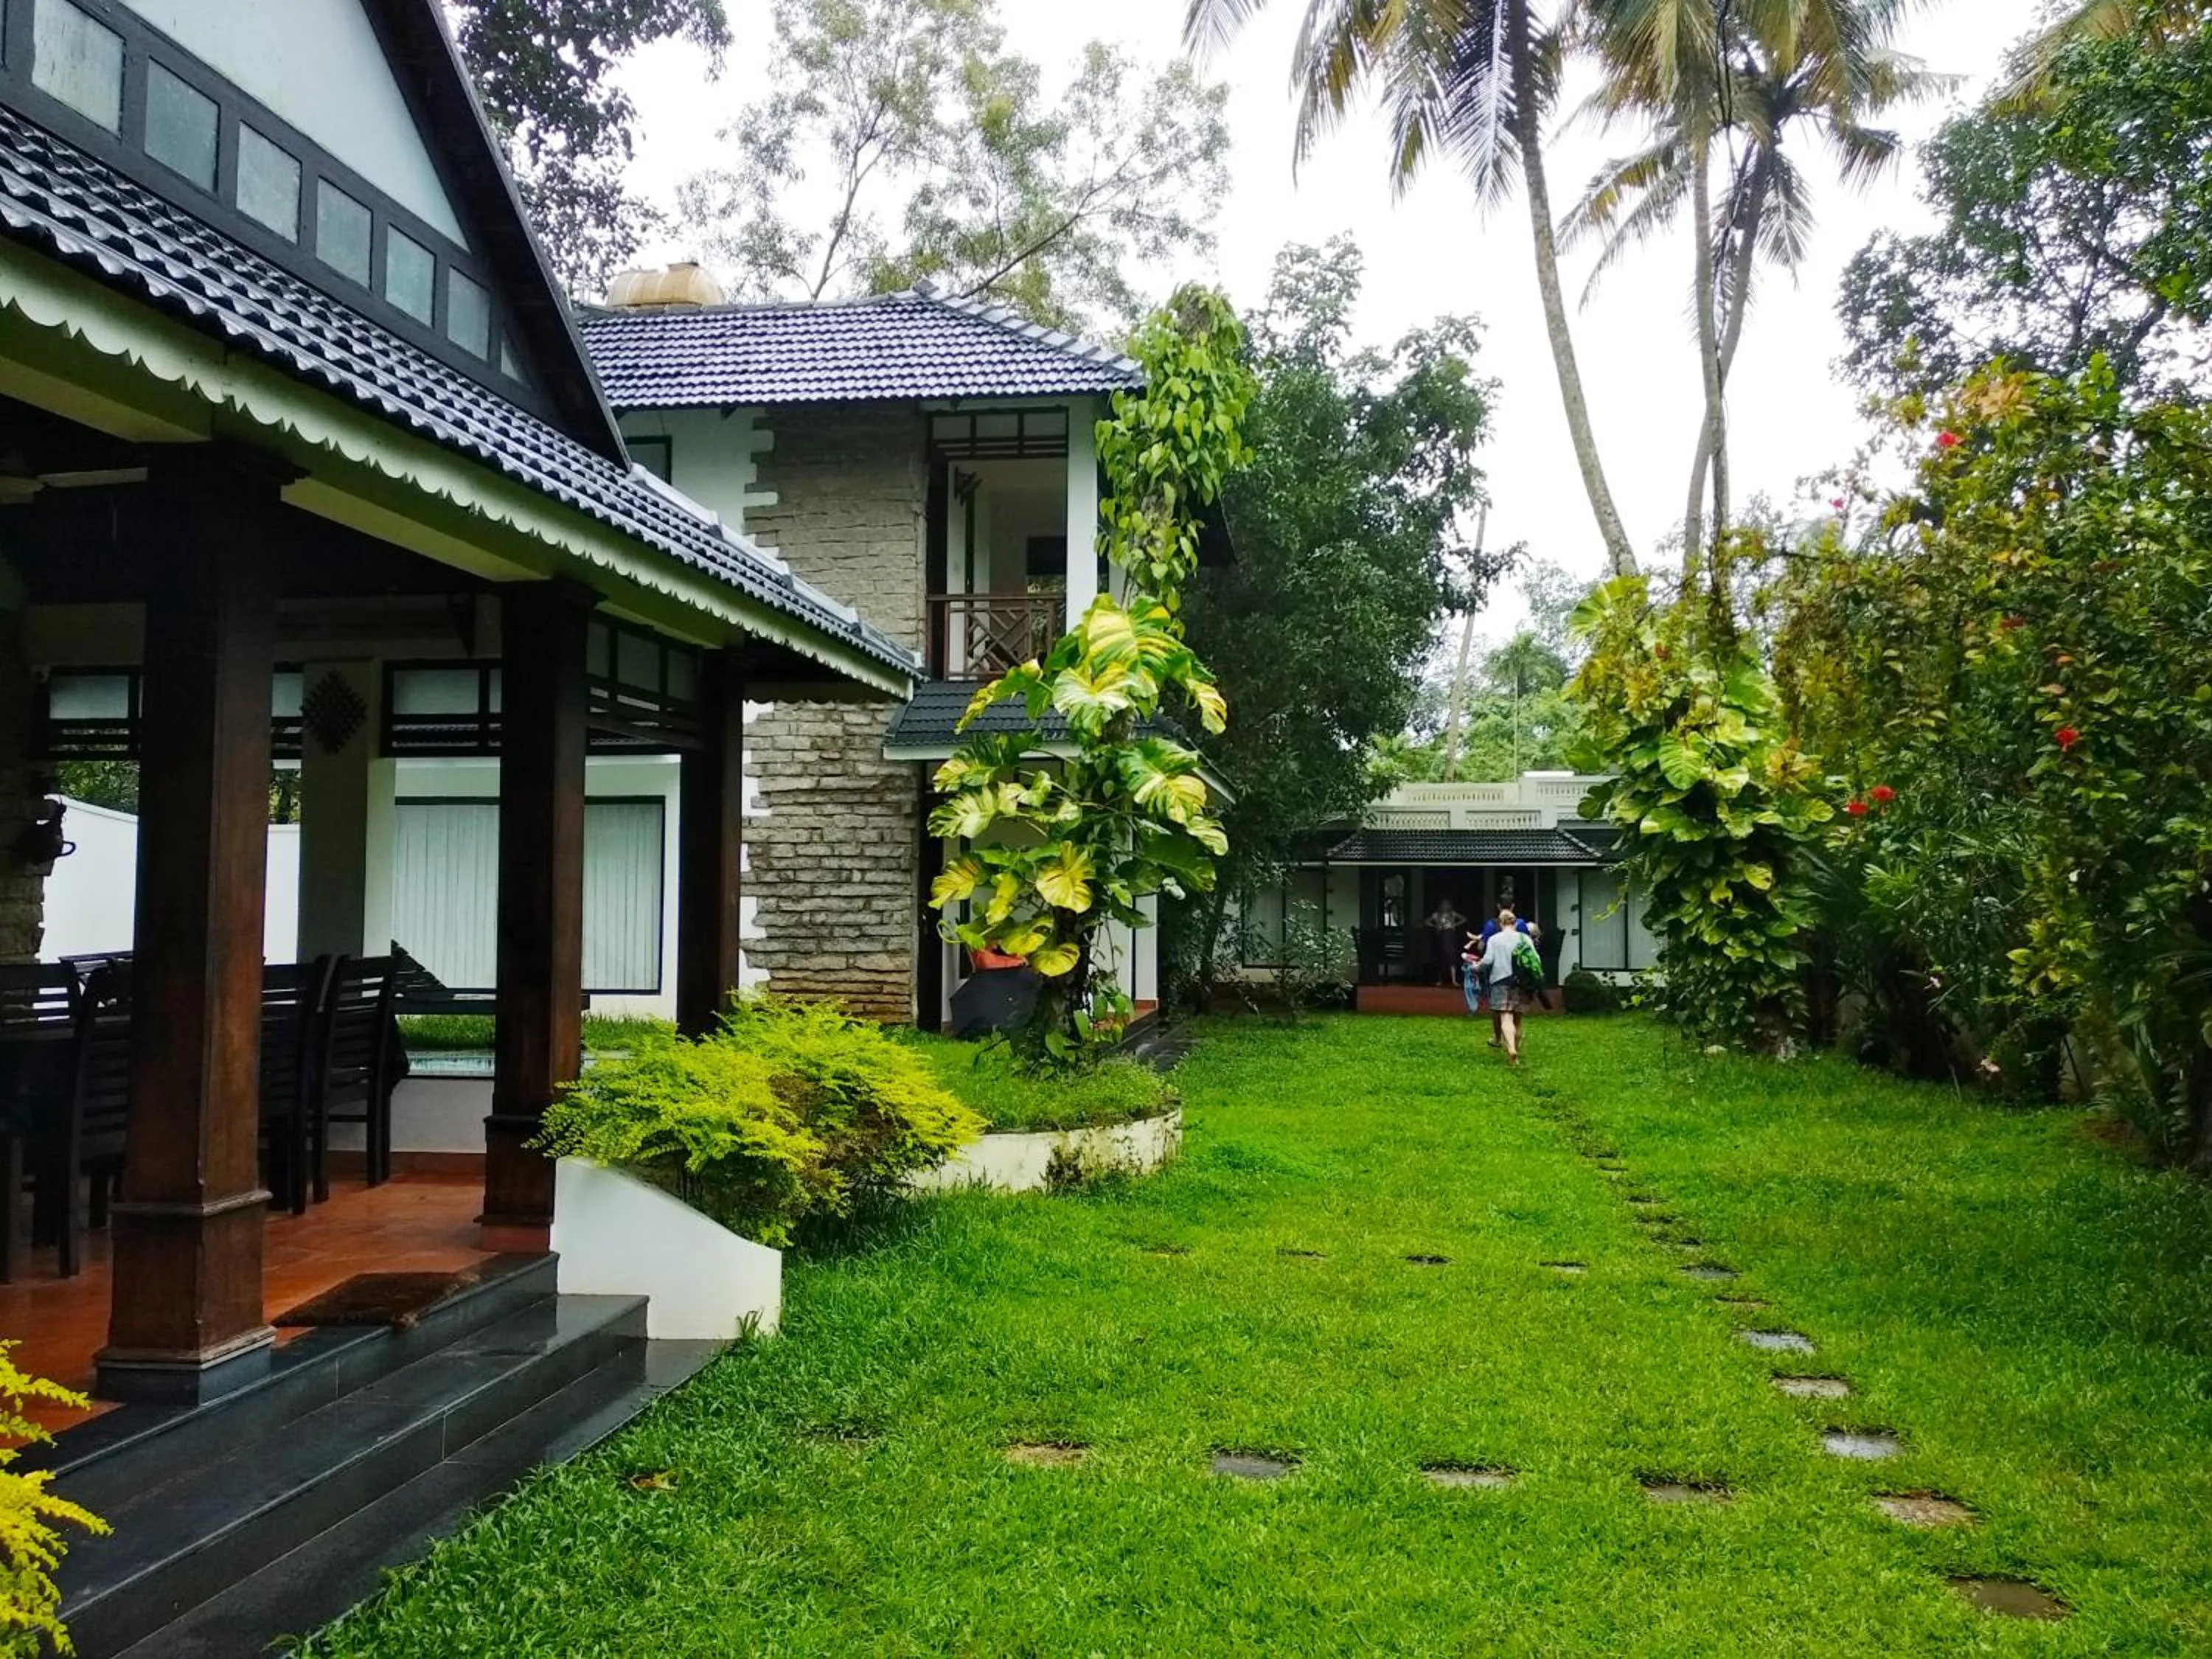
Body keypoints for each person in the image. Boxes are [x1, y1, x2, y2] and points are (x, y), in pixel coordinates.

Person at [1477, 907, 1538, 1065]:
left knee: (1505, 1016)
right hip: (1522, 983)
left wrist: (1476, 967)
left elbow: (1488, 961)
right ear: (1514, 923)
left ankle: (1510, 1048)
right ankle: (1515, 1050)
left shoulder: (1494, 939)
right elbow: (1536, 959)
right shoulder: (1525, 939)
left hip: (1500, 981)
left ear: (1501, 923)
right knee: (1517, 1020)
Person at [1425, 896, 1467, 985]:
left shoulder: (1452, 914)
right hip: (1441, 936)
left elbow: (1464, 919)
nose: (1445, 906)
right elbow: (1427, 922)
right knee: (1441, 958)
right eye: (1444, 904)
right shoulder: (1437, 915)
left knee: (1451, 957)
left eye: (1447, 904)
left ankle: (1454, 980)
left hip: (1450, 936)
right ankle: (1440, 980)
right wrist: (1435, 926)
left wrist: (1454, 924)